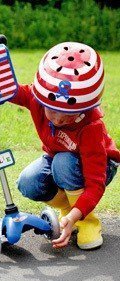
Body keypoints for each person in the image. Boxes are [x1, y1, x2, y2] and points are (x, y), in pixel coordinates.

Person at [7, 42, 119, 250]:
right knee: (28, 182)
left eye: (67, 114)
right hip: (60, 159)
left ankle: (86, 221)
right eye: (52, 111)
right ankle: (69, 212)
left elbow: (96, 183)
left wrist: (77, 215)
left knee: (63, 163)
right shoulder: (38, 98)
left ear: (85, 108)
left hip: (101, 165)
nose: (58, 119)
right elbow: (6, 89)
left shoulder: (91, 127)